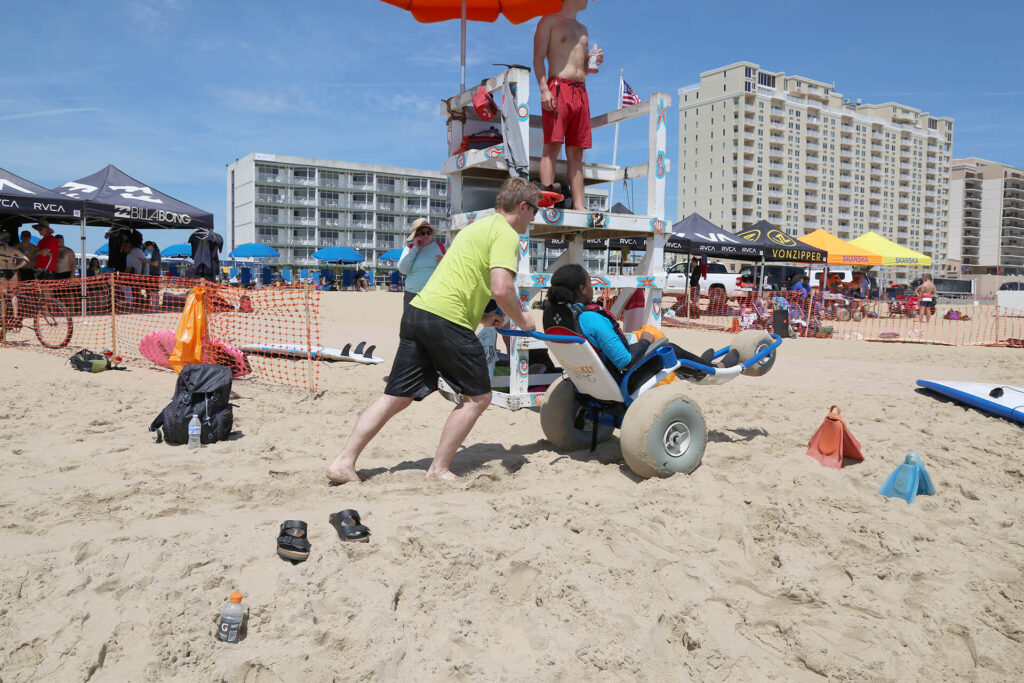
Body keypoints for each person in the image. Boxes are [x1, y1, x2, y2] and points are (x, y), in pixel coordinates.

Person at [326, 177, 540, 485]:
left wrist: (482, 315)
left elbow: (460, 277)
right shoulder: (506, 233)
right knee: (479, 397)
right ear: (522, 207)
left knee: (396, 396)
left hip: (419, 312)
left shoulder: (476, 228)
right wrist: (523, 321)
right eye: (534, 211)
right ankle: (438, 469)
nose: (534, 218)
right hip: (446, 319)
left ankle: (343, 462)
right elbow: (502, 288)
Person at [544, 263, 738, 387]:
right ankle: (713, 368)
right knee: (667, 348)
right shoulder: (590, 318)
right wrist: (645, 341)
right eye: (590, 282)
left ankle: (699, 363)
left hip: (586, 381)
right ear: (582, 288)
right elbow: (625, 361)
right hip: (621, 382)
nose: (593, 287)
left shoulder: (553, 315)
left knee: (656, 346)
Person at [534, 0, 603, 210]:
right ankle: (547, 202)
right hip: (558, 86)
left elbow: (581, 67)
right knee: (552, 146)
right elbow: (538, 59)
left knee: (577, 152)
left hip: (581, 91)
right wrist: (544, 89)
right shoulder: (548, 21)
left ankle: (579, 204)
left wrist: (593, 62)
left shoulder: (583, 29)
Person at [397, 217, 445, 307]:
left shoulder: (441, 247)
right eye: (422, 233)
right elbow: (403, 270)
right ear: (416, 235)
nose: (426, 235)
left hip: (434, 294)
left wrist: (444, 262)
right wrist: (415, 249)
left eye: (428, 233)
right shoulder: (409, 249)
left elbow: (451, 270)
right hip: (412, 293)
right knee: (409, 321)